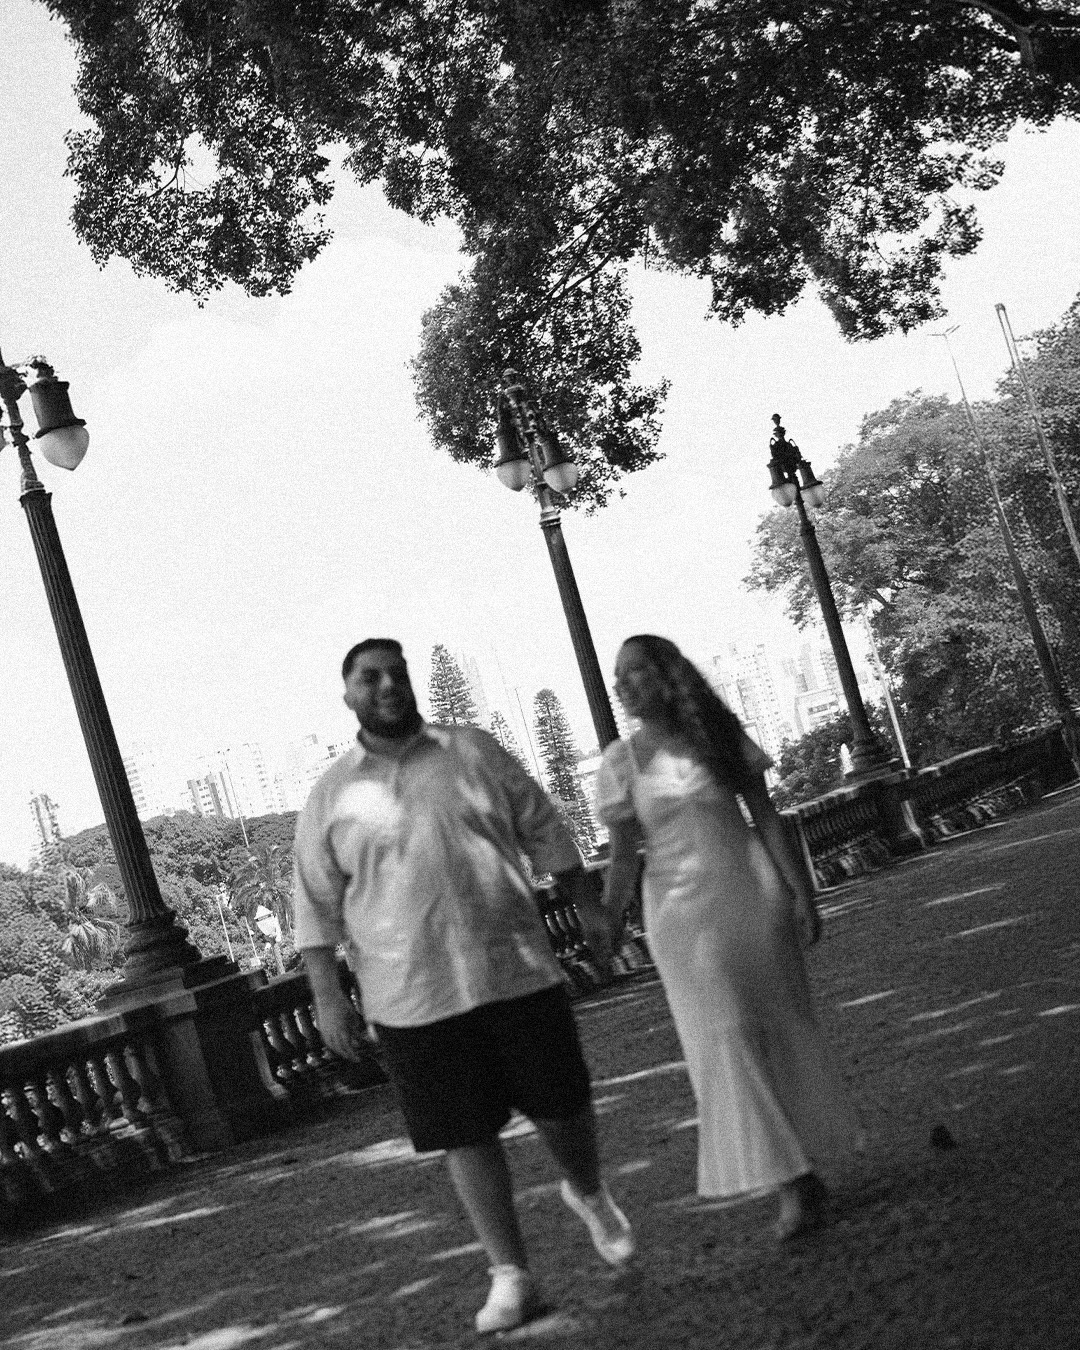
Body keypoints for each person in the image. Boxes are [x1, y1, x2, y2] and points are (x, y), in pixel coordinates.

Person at [292, 638, 634, 1334]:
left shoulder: (473, 751)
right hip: (411, 995)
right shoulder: (330, 797)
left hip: (514, 967)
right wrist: (328, 996)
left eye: (397, 673)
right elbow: (315, 906)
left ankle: (588, 1189)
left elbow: (544, 827)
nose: (387, 686)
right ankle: (511, 1274)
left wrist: (590, 907)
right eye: (369, 677)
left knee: (563, 1106)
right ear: (347, 694)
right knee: (464, 1134)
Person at [597, 634, 862, 1239]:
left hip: (750, 897)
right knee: (726, 1034)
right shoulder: (620, 764)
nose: (624, 684)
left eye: (637, 671)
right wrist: (607, 920)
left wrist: (800, 891)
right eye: (619, 676)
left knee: (779, 1024)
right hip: (679, 918)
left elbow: (766, 816)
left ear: (668, 675)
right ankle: (789, 1181)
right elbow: (623, 856)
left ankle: (804, 1164)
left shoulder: (717, 738)